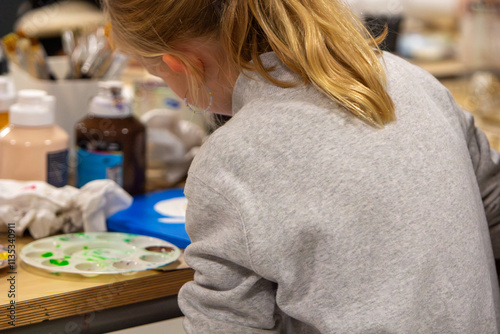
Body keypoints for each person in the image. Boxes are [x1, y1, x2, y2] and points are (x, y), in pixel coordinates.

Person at [104, 0, 500, 332]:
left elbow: (225, 324)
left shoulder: (231, 162)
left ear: (181, 64)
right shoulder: (412, 80)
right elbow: (493, 210)